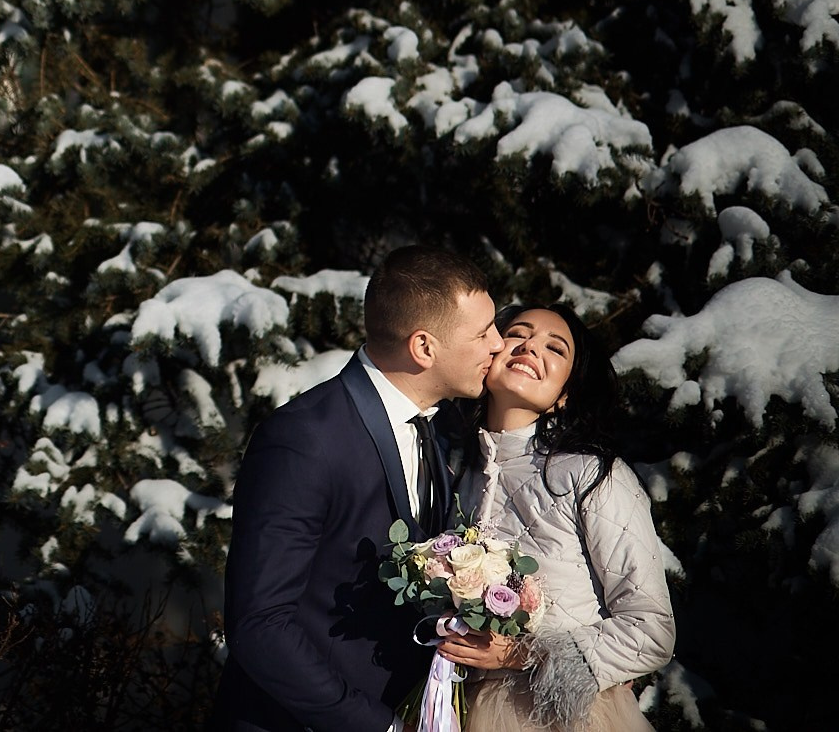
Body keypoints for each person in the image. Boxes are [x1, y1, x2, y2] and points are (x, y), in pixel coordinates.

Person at [217, 246, 503, 732]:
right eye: (482, 333)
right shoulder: (304, 438)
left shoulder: (443, 429)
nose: (498, 344)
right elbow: (261, 626)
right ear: (423, 348)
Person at [437, 304, 675, 732]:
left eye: (555, 348)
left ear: (566, 392)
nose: (530, 346)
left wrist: (521, 655)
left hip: (567, 717)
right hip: (455, 709)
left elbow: (651, 630)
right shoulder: (453, 470)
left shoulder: (595, 475)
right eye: (518, 334)